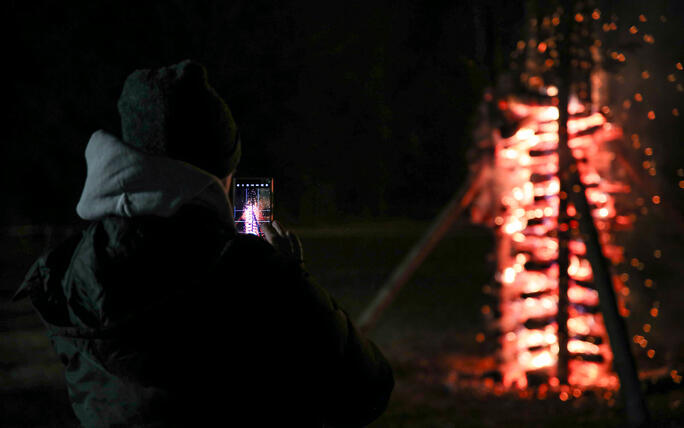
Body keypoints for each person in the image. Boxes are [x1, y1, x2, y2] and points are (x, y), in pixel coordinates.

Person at [15, 59, 394, 427]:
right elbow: (365, 391)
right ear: (218, 175)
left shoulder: (72, 271)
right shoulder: (252, 275)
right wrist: (292, 280)